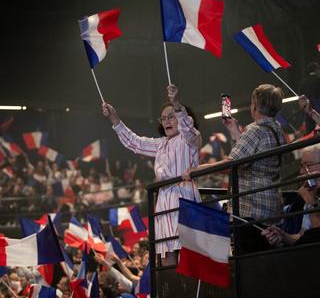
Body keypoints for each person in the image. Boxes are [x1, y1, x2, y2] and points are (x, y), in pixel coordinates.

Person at [102, 84, 202, 265]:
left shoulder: (190, 139)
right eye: (163, 118)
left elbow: (188, 128)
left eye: (171, 117)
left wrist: (177, 104)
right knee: (166, 256)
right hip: (163, 200)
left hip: (184, 196)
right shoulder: (161, 144)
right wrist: (114, 118)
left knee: (188, 255)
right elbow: (134, 143)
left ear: (181, 117)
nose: (167, 121)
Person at [184, 84, 285, 254]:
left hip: (251, 211)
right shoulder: (276, 128)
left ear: (255, 105)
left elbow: (231, 165)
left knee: (248, 263)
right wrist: (234, 130)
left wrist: (197, 169)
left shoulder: (255, 130)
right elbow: (250, 157)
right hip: (270, 207)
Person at [262, 145, 320, 246]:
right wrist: (282, 236)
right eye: (302, 166)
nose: (302, 171)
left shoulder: (309, 197)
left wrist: (310, 200)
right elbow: (303, 236)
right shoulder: (312, 193)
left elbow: (317, 235)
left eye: (308, 164)